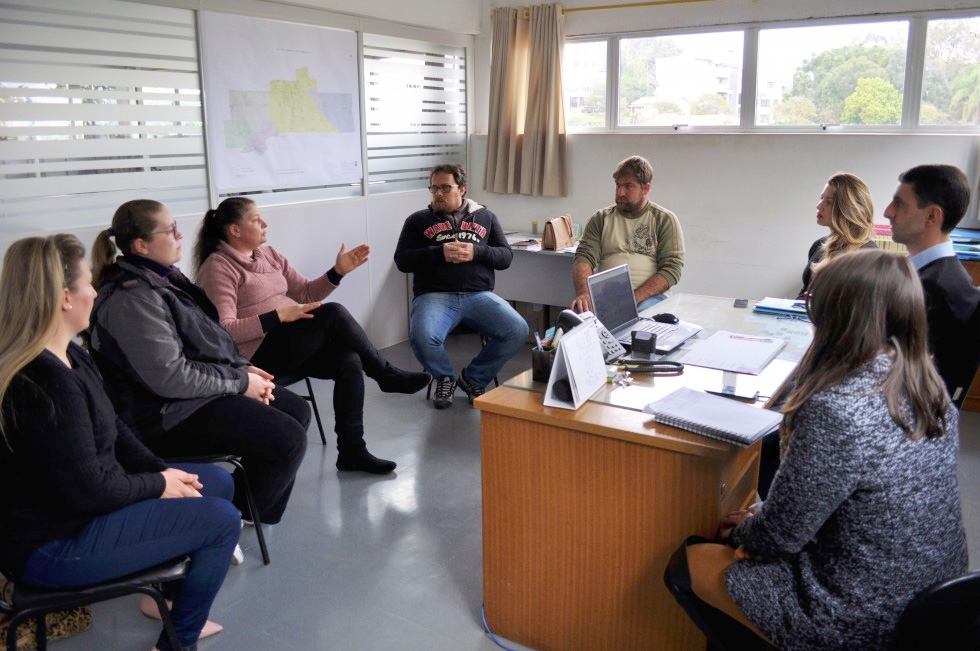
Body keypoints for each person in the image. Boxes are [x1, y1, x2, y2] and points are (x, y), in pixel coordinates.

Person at [665, 249, 968, 650]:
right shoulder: (929, 388)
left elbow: (779, 538)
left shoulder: (836, 407)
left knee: (690, 562)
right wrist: (764, 518)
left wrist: (742, 529)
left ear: (836, 317)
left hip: (861, 618)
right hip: (935, 599)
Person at [0, 235, 240, 651]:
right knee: (221, 521)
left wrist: (160, 470)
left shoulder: (72, 355)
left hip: (85, 508)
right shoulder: (43, 385)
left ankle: (163, 601)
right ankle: (176, 642)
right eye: (88, 284)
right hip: (53, 547)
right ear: (64, 299)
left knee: (219, 484)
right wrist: (159, 485)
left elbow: (116, 429)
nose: (95, 292)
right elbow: (87, 490)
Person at [89, 199, 310, 526]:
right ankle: (232, 515)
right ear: (141, 245)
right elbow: (170, 377)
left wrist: (242, 369)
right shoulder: (131, 298)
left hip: (192, 396)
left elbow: (208, 339)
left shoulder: (163, 278)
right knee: (287, 439)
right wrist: (240, 383)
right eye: (170, 230)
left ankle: (239, 500)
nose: (180, 235)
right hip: (162, 416)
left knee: (296, 411)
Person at [193, 197, 430, 474]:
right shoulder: (218, 267)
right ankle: (385, 373)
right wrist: (277, 317)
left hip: (290, 344)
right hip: (256, 357)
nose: (265, 223)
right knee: (334, 314)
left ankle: (352, 452)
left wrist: (337, 272)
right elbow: (224, 331)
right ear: (235, 230)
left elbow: (306, 293)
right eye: (256, 219)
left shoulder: (269, 255)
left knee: (348, 360)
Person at [394, 163, 528, 409]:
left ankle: (473, 379)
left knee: (517, 329)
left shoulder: (486, 217)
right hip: (434, 295)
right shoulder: (417, 221)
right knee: (422, 336)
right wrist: (438, 253)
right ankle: (445, 377)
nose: (438, 194)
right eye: (434, 188)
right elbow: (402, 261)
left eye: (445, 187)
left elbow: (505, 257)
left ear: (462, 189)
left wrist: (476, 252)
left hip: (478, 295)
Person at [885, 164, 980, 408]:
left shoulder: (929, 291)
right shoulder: (949, 272)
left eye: (899, 204)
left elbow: (890, 375)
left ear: (932, 216)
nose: (888, 212)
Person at [571, 155, 684, 314]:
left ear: (646, 188)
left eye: (628, 186)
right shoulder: (601, 219)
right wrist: (584, 293)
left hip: (649, 299)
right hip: (605, 299)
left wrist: (633, 298)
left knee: (640, 325)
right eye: (618, 185)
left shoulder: (664, 220)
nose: (620, 192)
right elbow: (583, 258)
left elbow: (671, 269)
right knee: (572, 324)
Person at [797, 171, 877, 298]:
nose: (819, 206)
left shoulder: (867, 255)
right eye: (821, 198)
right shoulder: (819, 245)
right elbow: (805, 293)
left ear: (848, 208)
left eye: (829, 202)